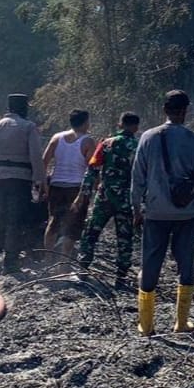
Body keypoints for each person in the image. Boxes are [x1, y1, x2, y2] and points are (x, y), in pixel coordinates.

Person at [131, 90, 194, 336]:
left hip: (155, 213)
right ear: (185, 111)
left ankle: (146, 325)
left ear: (164, 110)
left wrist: (136, 208)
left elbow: (138, 178)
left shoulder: (147, 137)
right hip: (186, 214)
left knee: (150, 264)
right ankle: (181, 323)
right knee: (186, 265)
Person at [0, 93, 45, 275]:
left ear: (8, 108)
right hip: (20, 181)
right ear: (24, 108)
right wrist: (40, 181)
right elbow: (36, 157)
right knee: (15, 220)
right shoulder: (29, 127)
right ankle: (11, 262)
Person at [75, 112, 141, 287]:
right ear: (136, 127)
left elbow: (93, 168)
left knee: (91, 233)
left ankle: (82, 270)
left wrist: (84, 193)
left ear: (120, 125)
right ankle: (121, 278)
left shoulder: (106, 143)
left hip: (105, 197)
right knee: (125, 238)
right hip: (126, 199)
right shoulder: (140, 146)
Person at [41, 109, 95, 261]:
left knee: (53, 222)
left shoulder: (57, 138)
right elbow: (92, 169)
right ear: (85, 123)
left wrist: (43, 184)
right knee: (73, 226)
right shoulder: (88, 141)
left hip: (56, 186)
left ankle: (48, 258)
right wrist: (95, 187)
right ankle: (63, 264)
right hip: (76, 188)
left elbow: (44, 162)